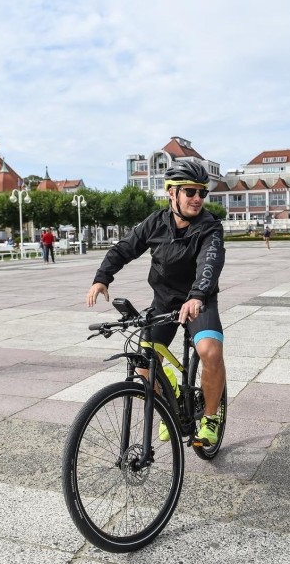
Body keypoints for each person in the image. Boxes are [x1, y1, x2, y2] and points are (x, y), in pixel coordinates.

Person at [86, 160, 227, 447]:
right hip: (164, 302)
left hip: (199, 301)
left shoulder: (210, 227)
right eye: (190, 192)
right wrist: (103, 278)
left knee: (210, 352)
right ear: (171, 193)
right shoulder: (155, 222)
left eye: (202, 192)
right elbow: (124, 248)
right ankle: (170, 397)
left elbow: (209, 262)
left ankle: (211, 417)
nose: (198, 198)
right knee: (144, 365)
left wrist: (198, 295)